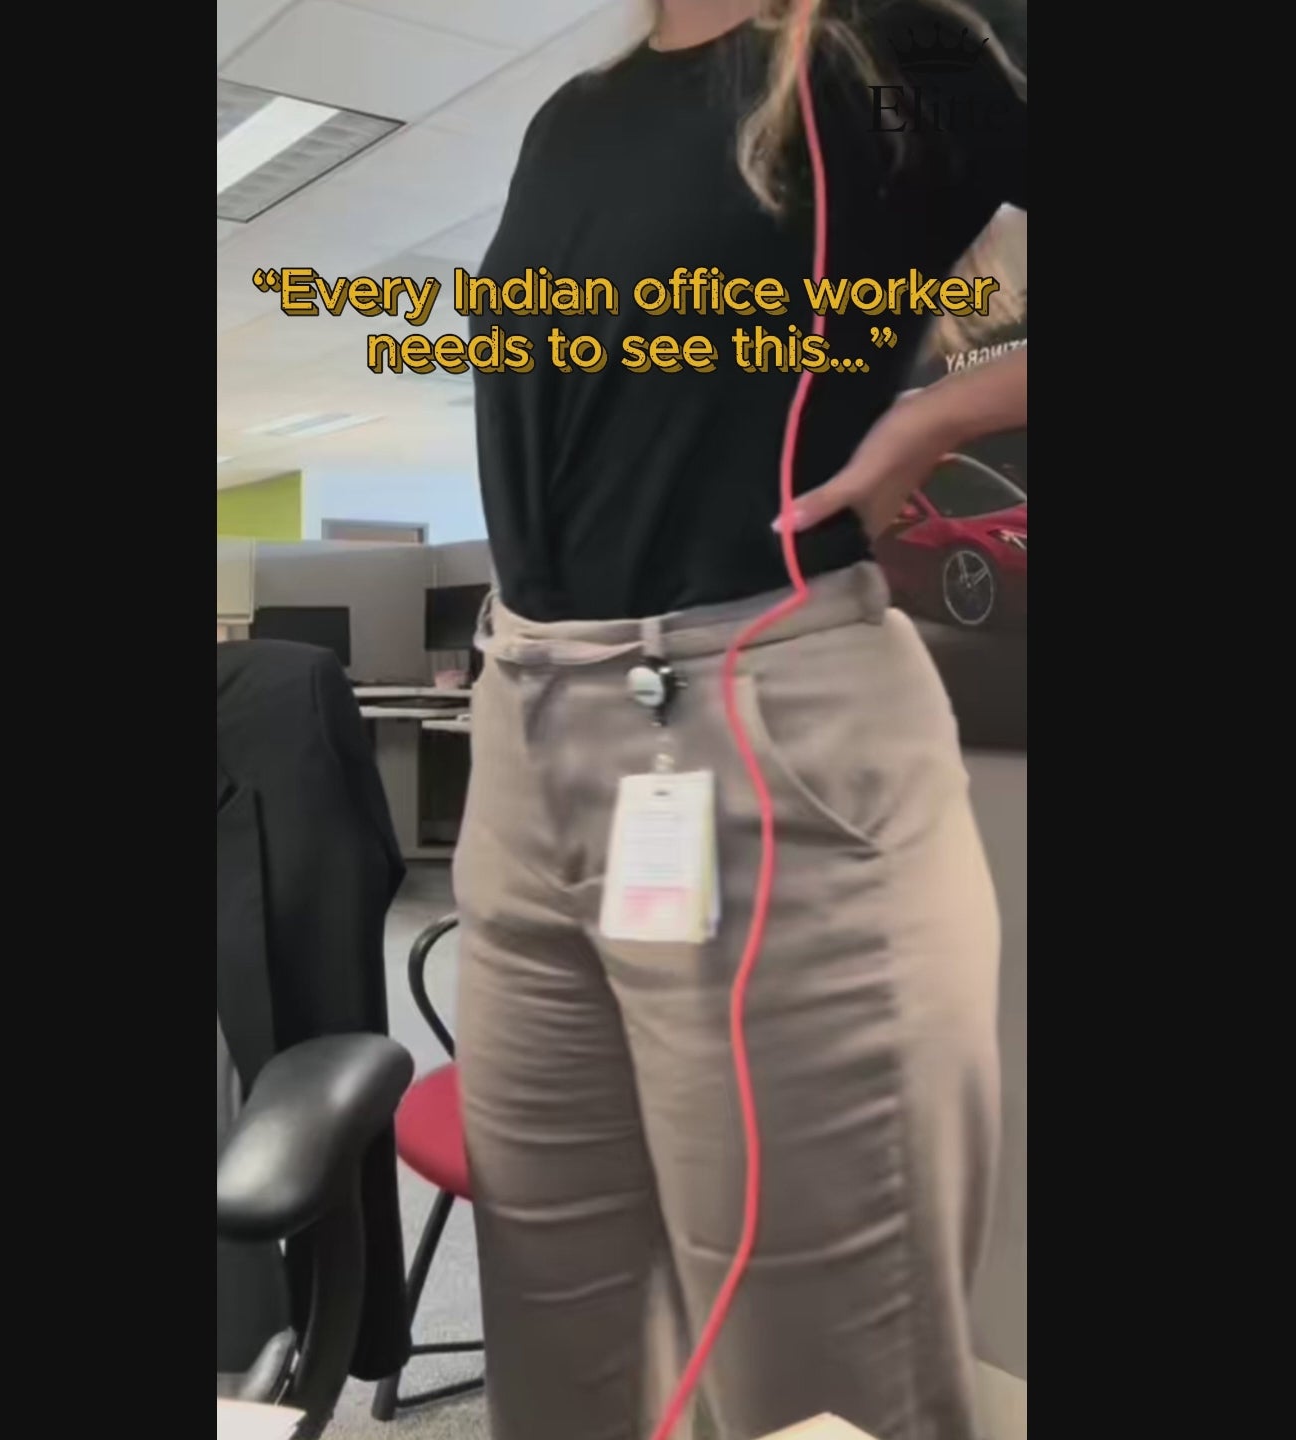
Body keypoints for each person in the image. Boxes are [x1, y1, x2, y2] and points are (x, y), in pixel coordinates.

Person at [454, 2, 1027, 1437]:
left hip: (763, 735)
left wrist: (938, 418)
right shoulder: (572, 118)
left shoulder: (897, 43)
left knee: (817, 1390)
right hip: (524, 739)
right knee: (559, 1366)